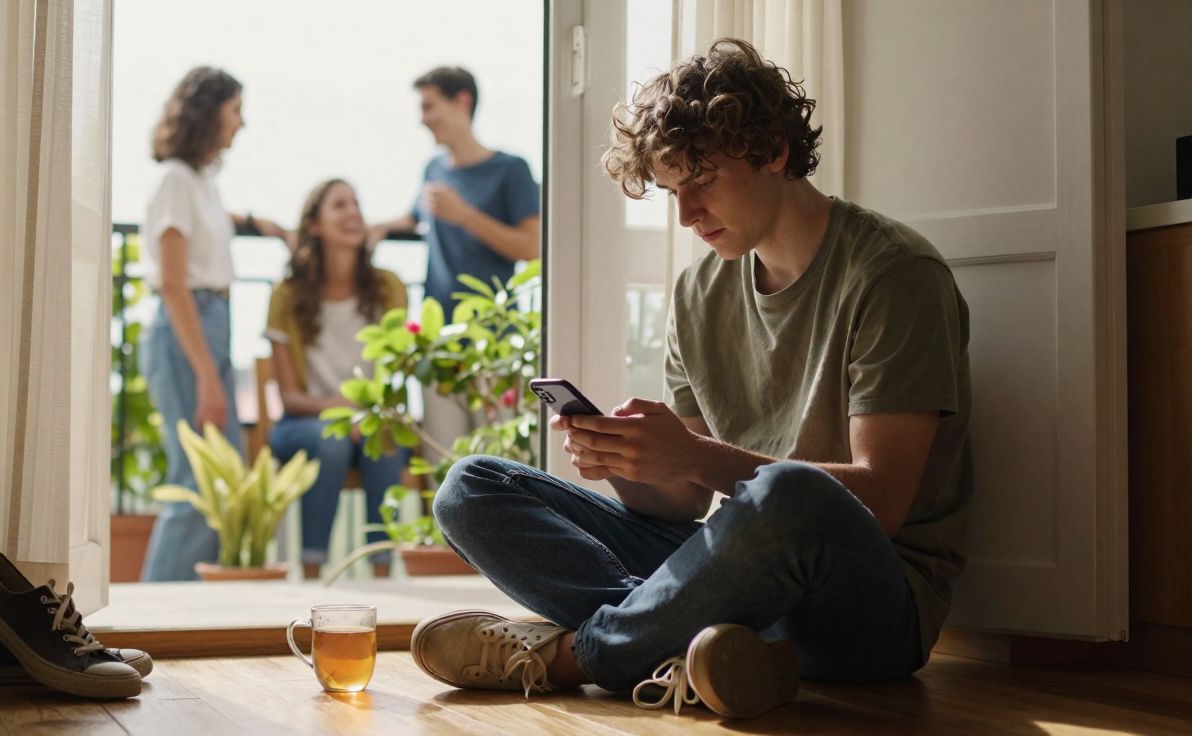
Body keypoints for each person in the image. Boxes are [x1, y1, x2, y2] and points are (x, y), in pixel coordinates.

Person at [408, 38, 973, 720]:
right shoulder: (698, 292)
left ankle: (580, 656)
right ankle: (709, 650)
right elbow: (680, 503)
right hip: (738, 572)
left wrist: (694, 455)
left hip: (867, 605)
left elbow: (881, 500)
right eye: (672, 191)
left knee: (790, 494)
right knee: (471, 487)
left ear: (773, 151)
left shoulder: (895, 274)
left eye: (701, 181)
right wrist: (630, 461)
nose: (685, 215)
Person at [139, 66, 289, 582]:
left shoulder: (201, 182)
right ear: (209, 114)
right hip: (188, 329)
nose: (241, 123)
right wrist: (206, 375)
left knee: (216, 477)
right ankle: (155, 607)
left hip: (212, 325)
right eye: (235, 111)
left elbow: (214, 225)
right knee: (197, 480)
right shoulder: (176, 181)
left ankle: (179, 600)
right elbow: (173, 283)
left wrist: (261, 225)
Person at [375, 66, 541, 457]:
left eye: (429, 106)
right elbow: (411, 218)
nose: (423, 119)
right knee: (443, 460)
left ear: (462, 101)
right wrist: (371, 230)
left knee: (501, 461)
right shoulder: (432, 169)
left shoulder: (511, 170)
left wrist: (464, 215)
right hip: (437, 346)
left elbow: (532, 247)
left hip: (494, 343)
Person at [266, 179, 409, 575]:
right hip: (303, 423)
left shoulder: (389, 288)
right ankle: (314, 572)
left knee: (383, 441)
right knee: (331, 439)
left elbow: (395, 375)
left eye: (356, 204)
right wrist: (341, 410)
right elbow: (290, 398)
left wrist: (365, 415)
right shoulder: (286, 295)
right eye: (340, 205)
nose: (353, 213)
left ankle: (384, 574)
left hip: (371, 421)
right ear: (314, 225)